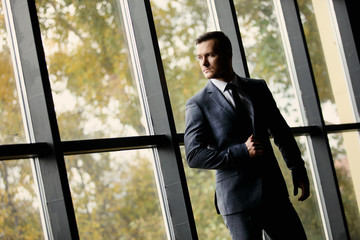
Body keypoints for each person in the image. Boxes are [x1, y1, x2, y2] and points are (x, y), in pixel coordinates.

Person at [184, 31, 310, 240]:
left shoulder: (257, 87)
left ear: (227, 54)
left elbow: (281, 131)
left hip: (274, 194)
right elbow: (194, 155)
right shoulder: (197, 104)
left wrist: (297, 168)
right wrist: (241, 152)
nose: (204, 63)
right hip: (237, 203)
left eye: (210, 55)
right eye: (199, 57)